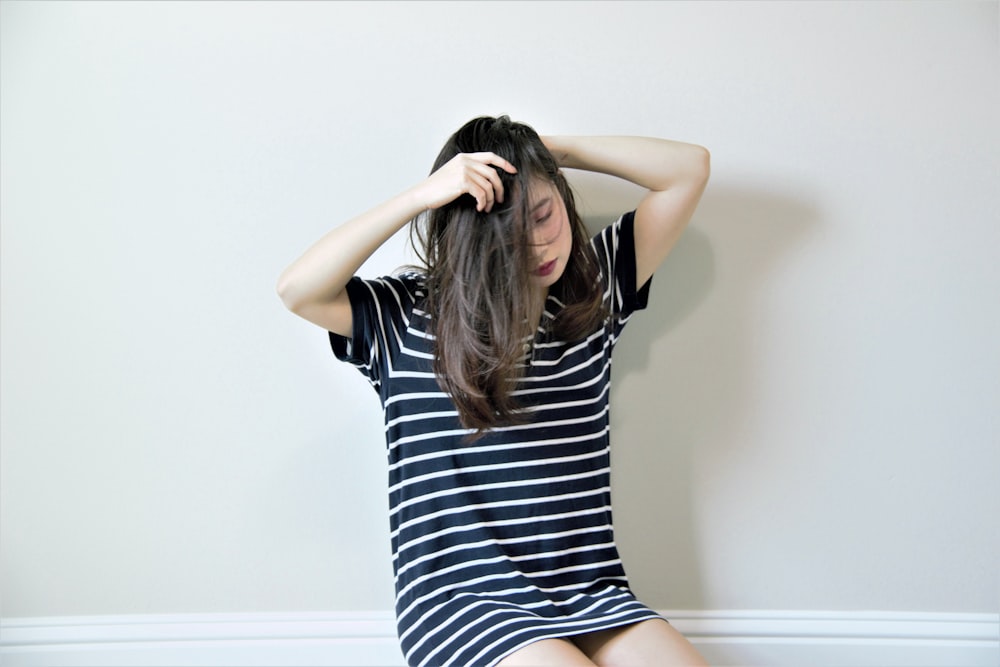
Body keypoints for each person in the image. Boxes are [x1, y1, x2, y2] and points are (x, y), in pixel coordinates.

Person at [277, 115, 711, 667]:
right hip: (463, 604)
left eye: (544, 214)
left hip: (589, 594)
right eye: (512, 236)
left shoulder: (593, 294)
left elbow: (688, 170)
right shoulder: (406, 319)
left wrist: (545, 151)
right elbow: (297, 290)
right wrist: (422, 196)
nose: (539, 245)